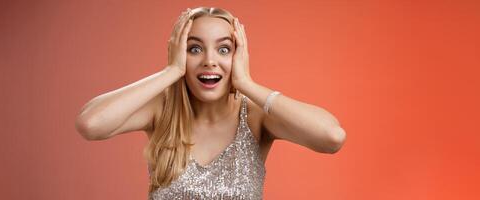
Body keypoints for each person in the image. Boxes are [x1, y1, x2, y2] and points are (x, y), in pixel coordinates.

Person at [75, 6, 346, 200]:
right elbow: (90, 124)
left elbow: (331, 136)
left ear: (238, 56)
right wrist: (170, 72)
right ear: (179, 53)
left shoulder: (255, 117)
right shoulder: (162, 111)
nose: (209, 60)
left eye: (224, 49)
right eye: (194, 48)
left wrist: (247, 84)